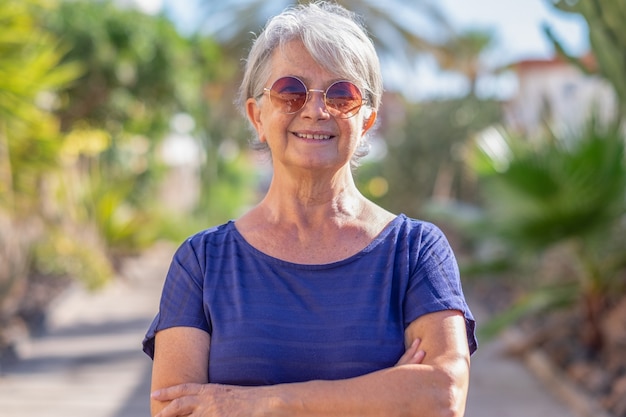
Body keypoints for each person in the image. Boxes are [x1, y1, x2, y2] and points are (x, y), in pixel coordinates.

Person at [143, 2, 477, 416]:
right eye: (290, 92)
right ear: (257, 116)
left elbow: (441, 397)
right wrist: (381, 397)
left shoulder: (415, 252)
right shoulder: (203, 263)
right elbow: (176, 411)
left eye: (342, 94)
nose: (316, 110)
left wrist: (256, 403)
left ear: (368, 119)